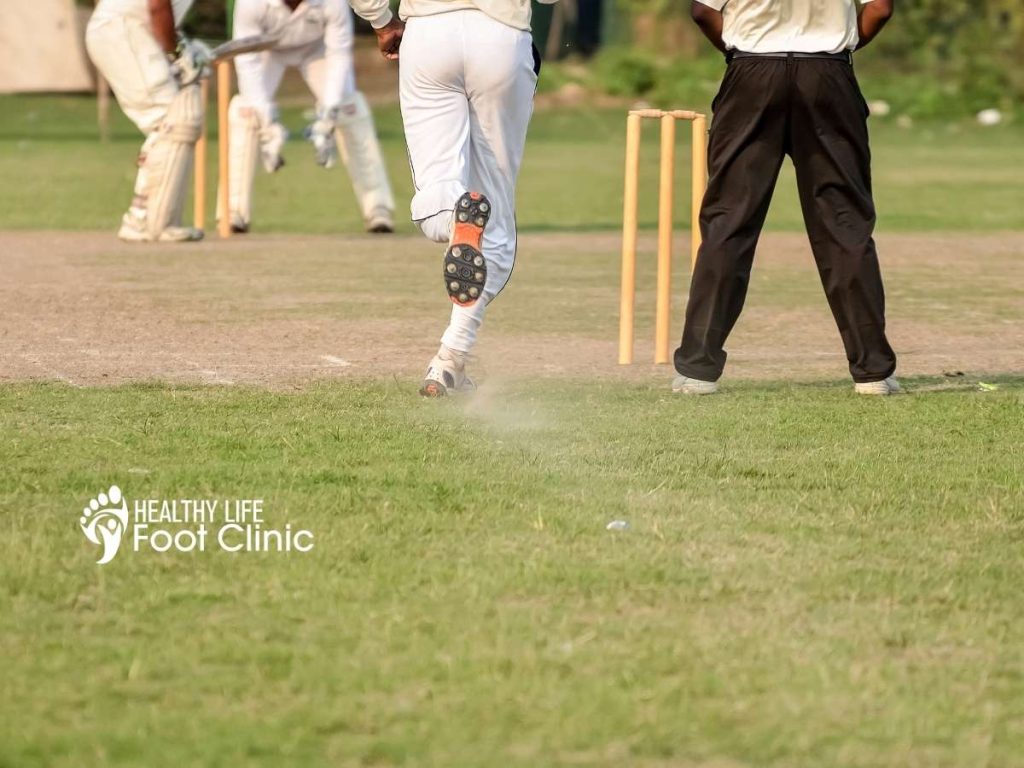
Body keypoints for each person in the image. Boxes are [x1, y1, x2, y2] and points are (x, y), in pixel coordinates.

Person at [673, 0, 901, 396]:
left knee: (729, 221)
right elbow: (879, 9)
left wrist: (737, 48)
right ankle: (873, 373)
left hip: (751, 74)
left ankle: (697, 371)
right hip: (828, 75)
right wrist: (838, 47)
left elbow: (701, 11)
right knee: (844, 222)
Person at [347, 0, 556, 396]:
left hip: (428, 37)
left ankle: (453, 221)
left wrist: (379, 19)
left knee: (438, 187)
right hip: (502, 36)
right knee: (493, 223)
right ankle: (450, 357)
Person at [224, 0, 396, 234]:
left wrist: (329, 111)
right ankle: (233, 211)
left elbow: (339, 52)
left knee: (349, 107)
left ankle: (378, 207)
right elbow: (246, 58)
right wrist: (266, 122)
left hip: (317, 50)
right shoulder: (251, 4)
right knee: (245, 111)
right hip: (266, 50)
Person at [86, 0, 210, 242]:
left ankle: (145, 216)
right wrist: (177, 54)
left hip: (128, 31)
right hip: (123, 31)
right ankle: (149, 221)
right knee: (171, 119)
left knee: (173, 120)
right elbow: (157, 6)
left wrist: (182, 47)